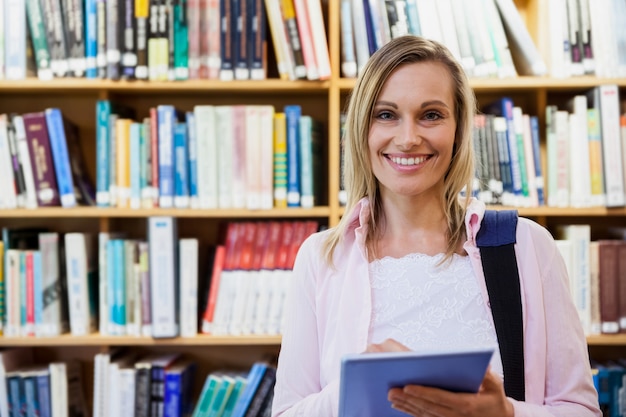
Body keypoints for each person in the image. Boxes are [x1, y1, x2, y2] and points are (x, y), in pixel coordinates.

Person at [271, 35, 601, 417]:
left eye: (431, 115)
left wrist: (505, 414)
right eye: (386, 114)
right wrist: (353, 386)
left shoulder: (524, 246)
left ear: (459, 128)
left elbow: (582, 411)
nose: (408, 138)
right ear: (361, 129)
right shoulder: (320, 258)